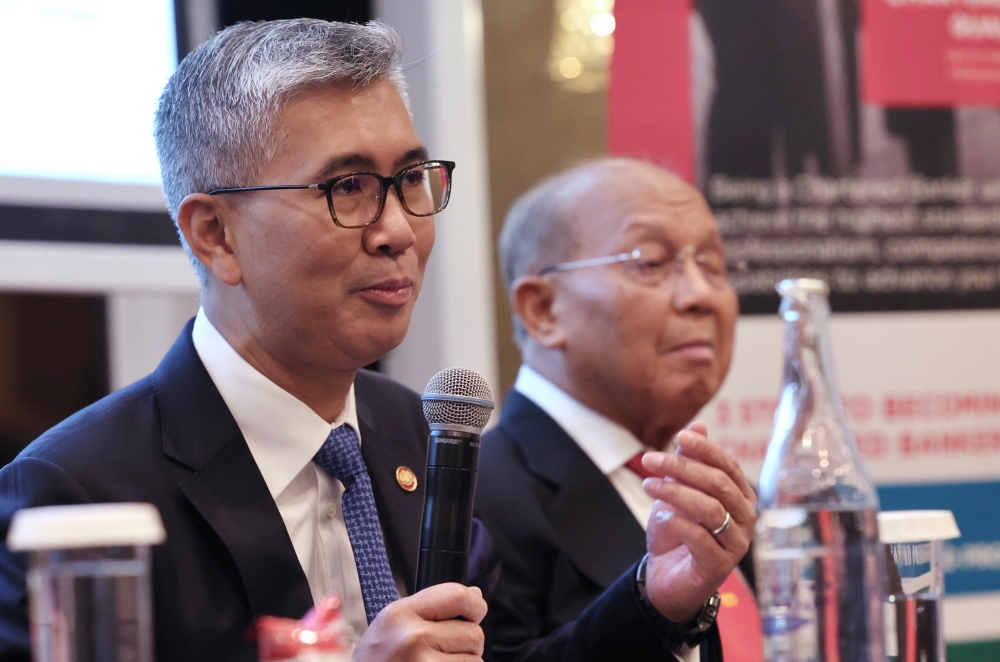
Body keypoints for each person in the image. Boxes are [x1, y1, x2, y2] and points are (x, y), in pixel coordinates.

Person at [0, 19, 489, 662]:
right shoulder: (76, 490)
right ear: (215, 235)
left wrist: (652, 598)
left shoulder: (413, 426)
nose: (397, 229)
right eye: (348, 187)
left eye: (412, 177)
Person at [477, 159, 760, 662]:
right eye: (650, 262)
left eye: (713, 265)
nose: (700, 295)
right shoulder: (477, 499)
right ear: (543, 310)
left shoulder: (721, 499)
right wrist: (654, 610)